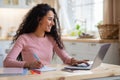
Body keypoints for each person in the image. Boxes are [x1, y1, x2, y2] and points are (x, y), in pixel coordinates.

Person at [4, 3, 89, 69]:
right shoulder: (24, 39)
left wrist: (73, 60)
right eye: (49, 19)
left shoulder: (51, 39)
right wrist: (29, 64)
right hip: (31, 77)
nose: (53, 23)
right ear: (39, 19)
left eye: (53, 20)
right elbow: (7, 62)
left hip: (48, 76)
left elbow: (65, 58)